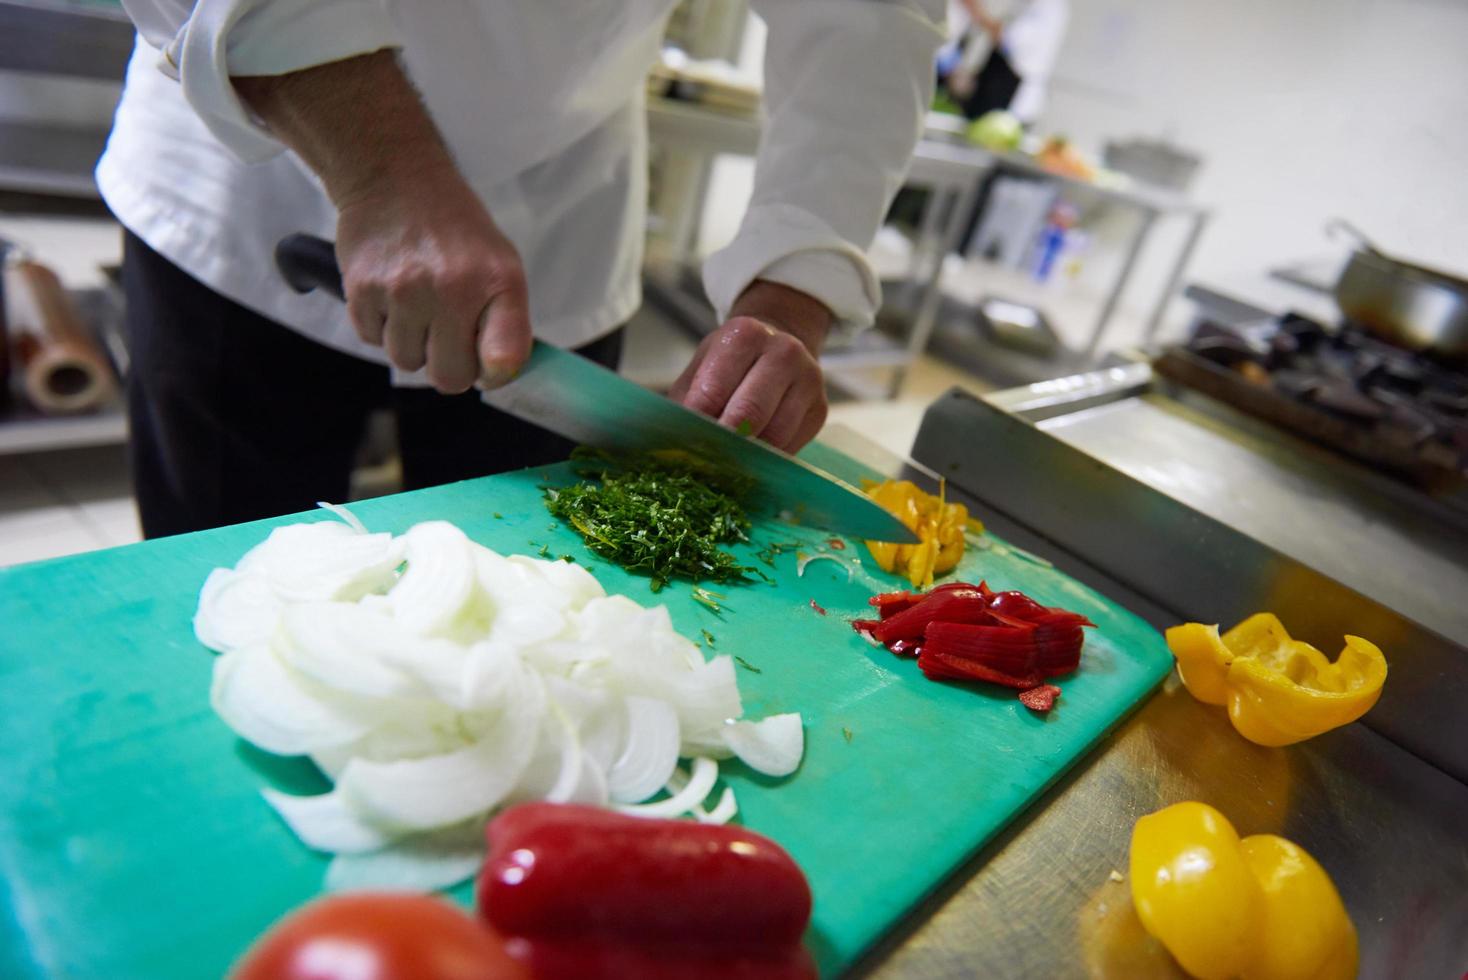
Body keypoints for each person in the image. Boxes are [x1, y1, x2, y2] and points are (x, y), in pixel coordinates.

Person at [97, 2, 946, 537]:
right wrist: (380, 172)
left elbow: (874, 19)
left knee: (516, 596)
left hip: (559, 208)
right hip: (258, 177)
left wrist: (796, 280)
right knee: (224, 575)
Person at [941, 0, 1070, 123]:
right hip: (997, 84)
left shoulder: (1049, 7)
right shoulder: (1026, 4)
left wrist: (977, 13)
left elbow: (1009, 38)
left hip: (1013, 95)